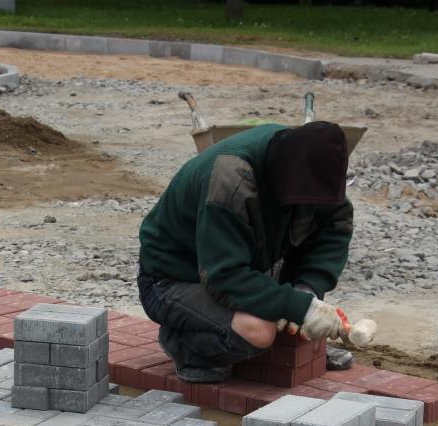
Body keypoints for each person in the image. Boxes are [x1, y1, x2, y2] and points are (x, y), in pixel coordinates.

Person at [137, 121, 354, 383]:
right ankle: (183, 344)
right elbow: (224, 276)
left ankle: (293, 349)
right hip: (171, 280)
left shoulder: (309, 161)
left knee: (284, 308)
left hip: (237, 267)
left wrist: (307, 290)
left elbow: (335, 225)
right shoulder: (231, 178)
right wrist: (300, 308)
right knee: (259, 330)